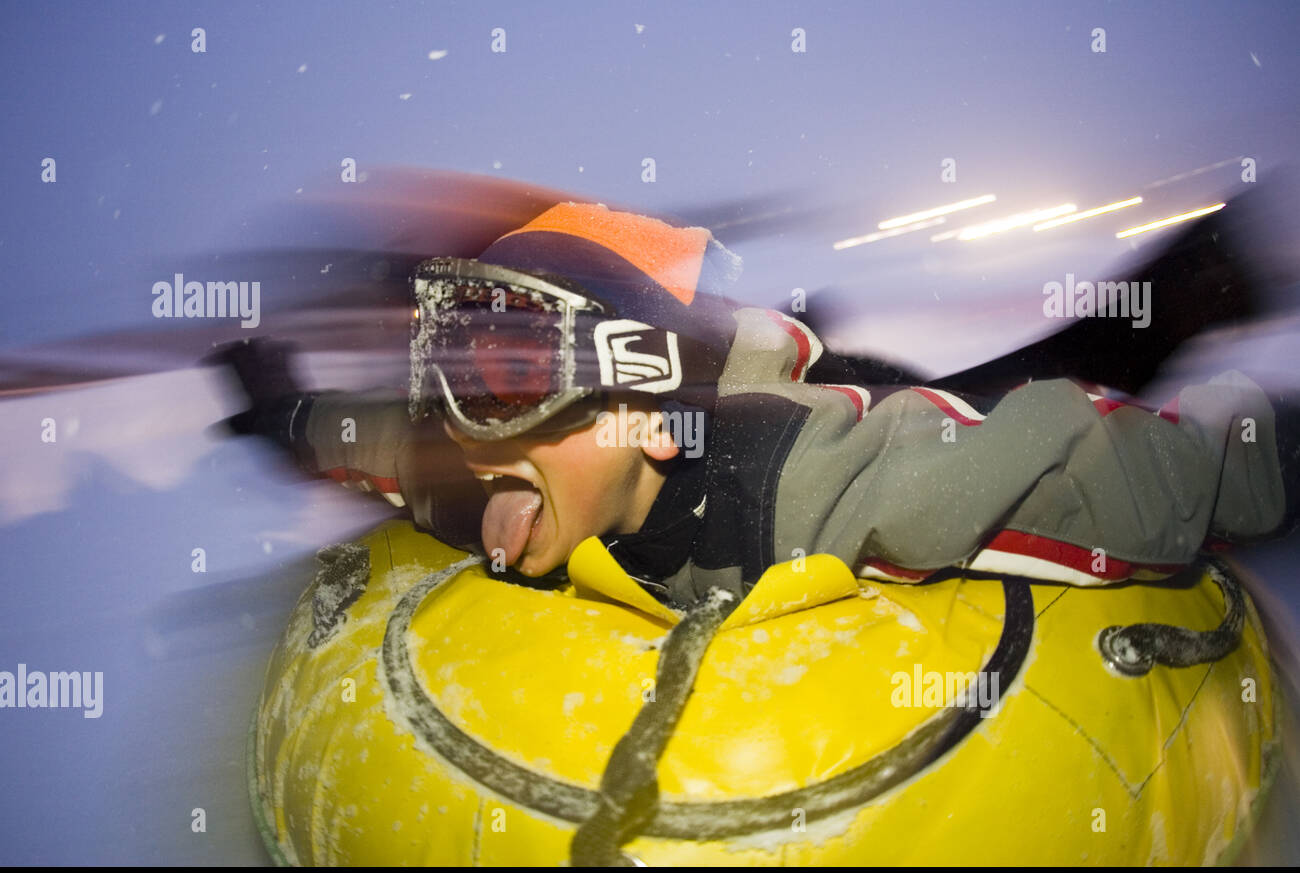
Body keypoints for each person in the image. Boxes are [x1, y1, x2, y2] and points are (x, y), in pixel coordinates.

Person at [210, 201, 1299, 607]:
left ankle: (1189, 279)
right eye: (455, 382)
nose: (465, 431)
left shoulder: (811, 494)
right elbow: (392, 444)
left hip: (844, 402)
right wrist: (288, 416)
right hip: (735, 373)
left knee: (1028, 380)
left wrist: (1254, 443)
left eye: (511, 383)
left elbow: (1081, 466)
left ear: (638, 406)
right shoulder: (496, 477)